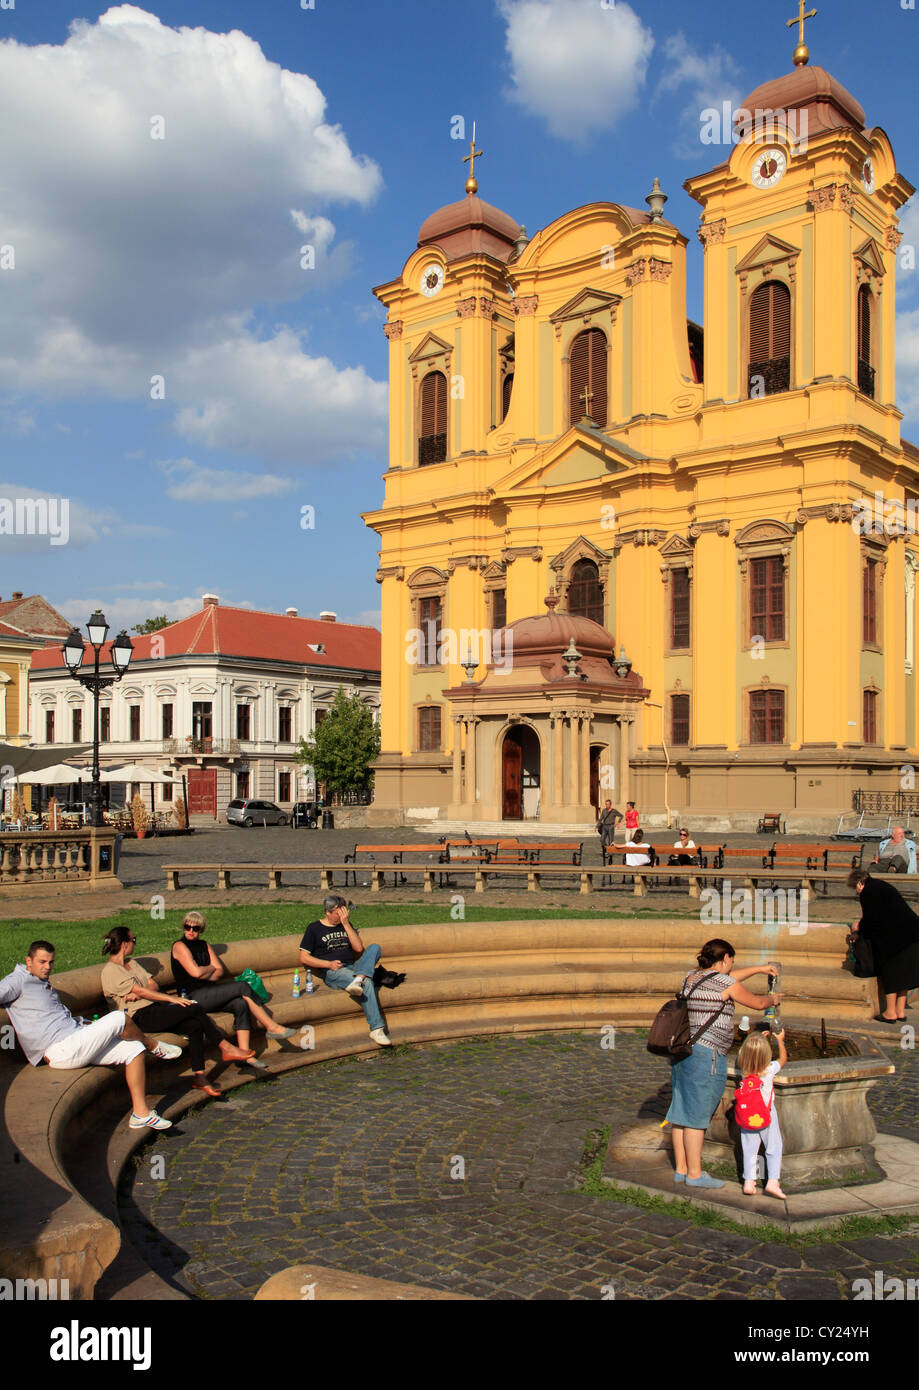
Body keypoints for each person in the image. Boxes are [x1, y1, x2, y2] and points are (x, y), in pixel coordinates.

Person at [0, 939, 179, 1130]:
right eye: (42, 962)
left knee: (134, 1049)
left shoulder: (40, 981)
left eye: (51, 962)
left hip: (76, 1039)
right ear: (29, 961)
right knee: (118, 1018)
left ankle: (140, 1114)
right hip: (59, 1049)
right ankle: (154, 1045)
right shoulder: (18, 980)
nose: (47, 967)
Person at [666, 938, 781, 1188]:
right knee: (697, 1116)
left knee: (681, 1112)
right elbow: (757, 1002)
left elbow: (728, 977)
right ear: (726, 958)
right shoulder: (726, 984)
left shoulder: (691, 977)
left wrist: (759, 969)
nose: (733, 966)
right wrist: (773, 999)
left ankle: (681, 1168)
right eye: (732, 960)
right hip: (707, 1056)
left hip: (682, 1052)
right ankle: (695, 1175)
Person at [101, 927, 253, 1098]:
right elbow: (144, 991)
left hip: (153, 1008)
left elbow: (153, 986)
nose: (134, 943)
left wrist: (138, 993)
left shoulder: (132, 963)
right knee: (193, 1007)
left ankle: (200, 1077)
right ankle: (225, 1046)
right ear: (124, 944)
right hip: (137, 1017)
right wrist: (170, 999)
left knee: (195, 1025)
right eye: (133, 940)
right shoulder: (111, 970)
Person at [171, 911, 295, 1069]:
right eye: (187, 927)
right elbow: (196, 973)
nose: (190, 931)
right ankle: (271, 1026)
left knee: (240, 1004)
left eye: (195, 928)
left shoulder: (204, 945)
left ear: (201, 930)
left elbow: (219, 971)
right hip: (193, 996)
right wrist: (209, 968)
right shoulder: (179, 946)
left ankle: (244, 1055)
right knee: (242, 986)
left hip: (209, 992)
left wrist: (204, 972)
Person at [299, 895, 394, 1046]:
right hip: (334, 971)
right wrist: (328, 964)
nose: (343, 916)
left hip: (354, 966)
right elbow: (304, 957)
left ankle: (358, 978)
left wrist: (346, 924)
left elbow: (358, 948)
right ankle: (376, 1029)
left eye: (344, 912)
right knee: (367, 983)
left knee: (375, 947)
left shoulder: (346, 924)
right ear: (327, 912)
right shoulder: (314, 928)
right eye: (339, 913)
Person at [848, 869, 919, 1023]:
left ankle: (890, 1012)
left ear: (860, 883)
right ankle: (900, 1011)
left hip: (895, 939)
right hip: (913, 933)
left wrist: (857, 929)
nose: (857, 892)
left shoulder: (868, 892)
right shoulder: (881, 886)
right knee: (905, 975)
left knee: (891, 973)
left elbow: (871, 918)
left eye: (856, 888)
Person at [736, 1027, 788, 1199]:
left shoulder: (743, 1070)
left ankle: (749, 1182)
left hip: (746, 1115)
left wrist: (755, 1038)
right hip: (766, 1115)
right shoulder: (769, 1069)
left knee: (749, 1148)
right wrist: (779, 1041)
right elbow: (783, 1059)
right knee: (773, 1146)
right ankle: (772, 1182)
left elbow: (746, 1053)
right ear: (766, 1056)